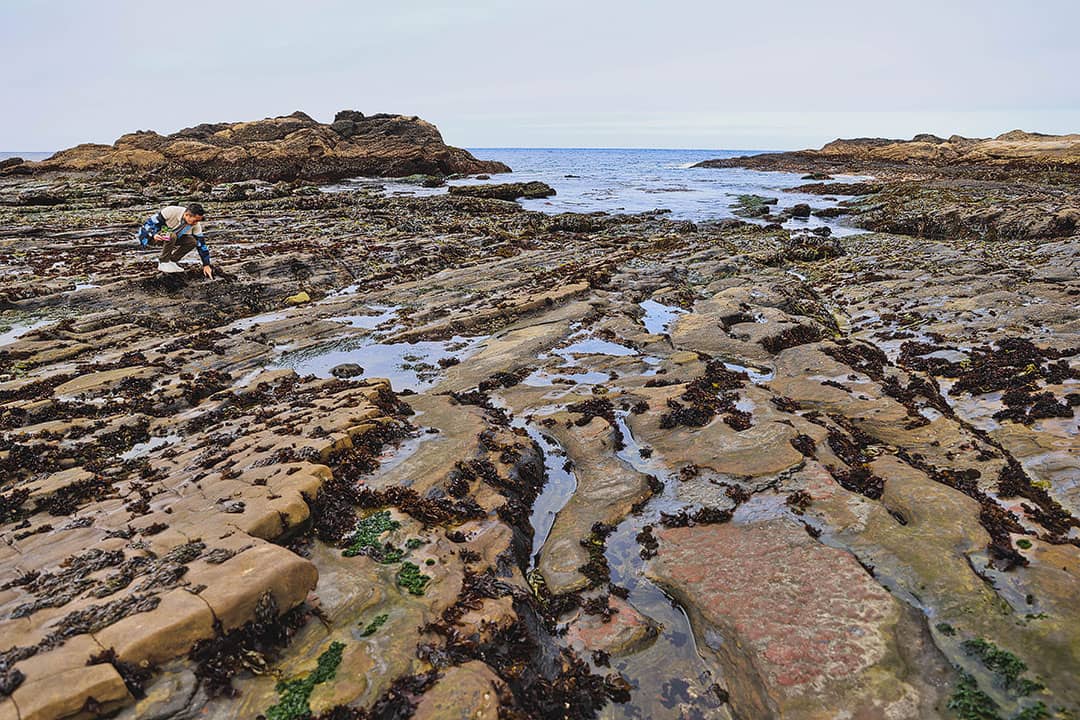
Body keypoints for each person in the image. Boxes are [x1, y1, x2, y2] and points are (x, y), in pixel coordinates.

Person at [137, 203, 213, 278]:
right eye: (195, 220)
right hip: (151, 236)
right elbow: (148, 224)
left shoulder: (195, 225)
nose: (196, 223)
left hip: (171, 237)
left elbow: (202, 244)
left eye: (198, 221)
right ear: (187, 215)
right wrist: (154, 234)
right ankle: (163, 262)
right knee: (171, 235)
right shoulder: (171, 211)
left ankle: (172, 261)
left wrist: (206, 264)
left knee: (193, 241)